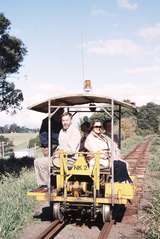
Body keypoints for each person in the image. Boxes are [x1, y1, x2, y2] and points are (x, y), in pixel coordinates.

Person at [33, 109, 63, 192]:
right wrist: (46, 146)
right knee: (47, 164)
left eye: (61, 112)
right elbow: (42, 134)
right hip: (50, 145)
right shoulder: (46, 121)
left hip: (61, 146)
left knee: (57, 164)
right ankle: (48, 184)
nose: (60, 114)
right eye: (59, 112)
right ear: (54, 112)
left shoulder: (63, 121)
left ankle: (58, 183)